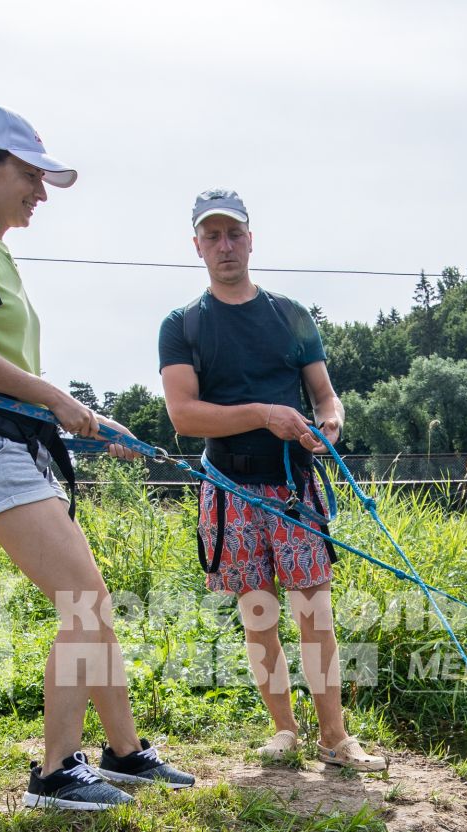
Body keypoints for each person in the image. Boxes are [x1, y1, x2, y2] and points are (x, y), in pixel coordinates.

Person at [0, 105, 193, 810]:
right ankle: (55, 771)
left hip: (16, 440)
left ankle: (124, 754)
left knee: (89, 600)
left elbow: (0, 365)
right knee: (84, 600)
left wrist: (80, 417)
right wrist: (59, 399)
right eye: (31, 175)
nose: (41, 192)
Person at [159, 190, 386, 771]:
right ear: (197, 246)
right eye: (212, 237)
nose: (225, 246)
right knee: (259, 617)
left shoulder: (290, 315)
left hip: (295, 490)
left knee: (317, 617)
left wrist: (328, 428)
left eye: (234, 234)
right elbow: (184, 416)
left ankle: (334, 738)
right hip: (229, 493)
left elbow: (326, 397)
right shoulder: (182, 325)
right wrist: (263, 414)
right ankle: (284, 730)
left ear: (251, 238)